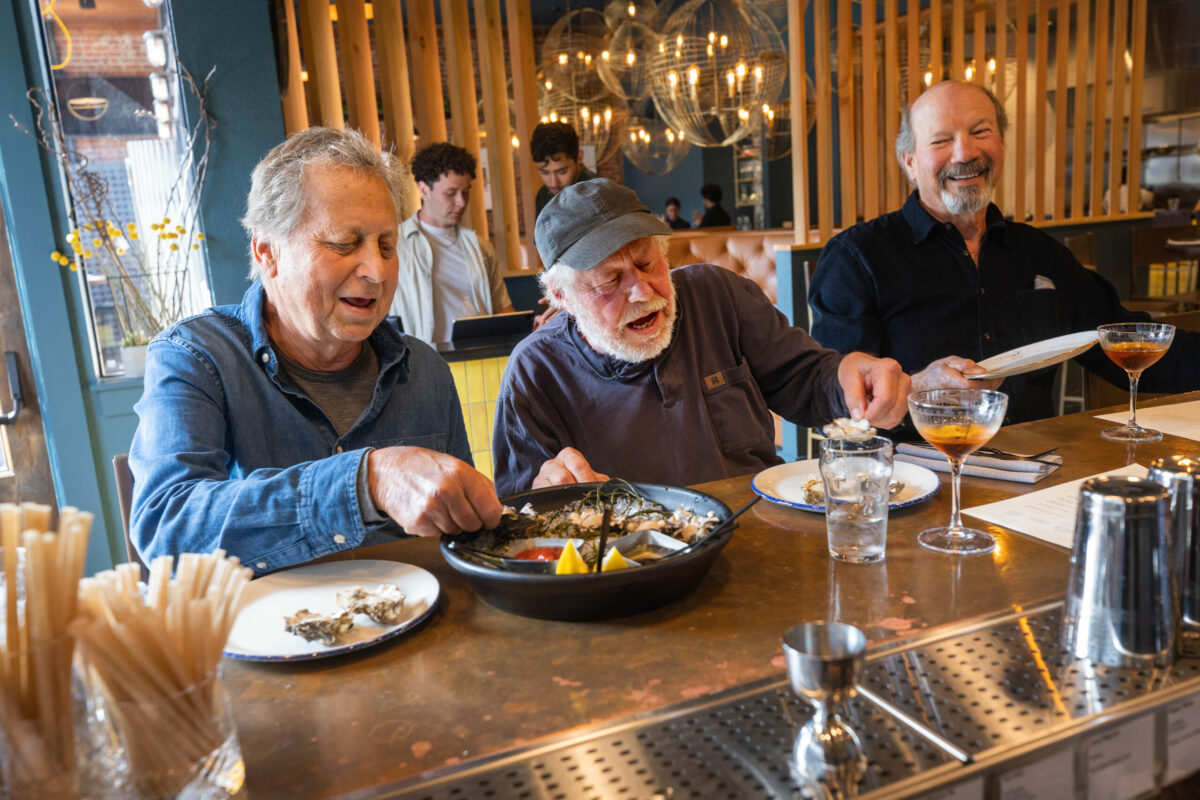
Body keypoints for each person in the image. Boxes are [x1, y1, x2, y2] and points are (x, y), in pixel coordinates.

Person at [128, 127, 505, 575]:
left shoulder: (423, 370)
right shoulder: (197, 357)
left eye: (387, 246)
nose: (377, 271)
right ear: (267, 252)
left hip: (424, 633)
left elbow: (466, 540)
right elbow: (168, 530)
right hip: (268, 640)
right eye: (344, 244)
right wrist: (367, 481)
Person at [809, 80, 1200, 426]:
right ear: (910, 163)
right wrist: (918, 386)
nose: (964, 153)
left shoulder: (1039, 252)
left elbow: (1122, 340)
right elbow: (838, 402)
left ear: (1001, 145)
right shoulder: (856, 258)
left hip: (1036, 471)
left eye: (980, 132)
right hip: (914, 480)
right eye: (941, 141)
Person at [491, 178, 911, 496]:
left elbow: (804, 377)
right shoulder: (534, 373)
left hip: (757, 539)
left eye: (647, 264)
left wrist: (851, 374)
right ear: (561, 296)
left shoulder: (717, 294)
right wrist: (544, 496)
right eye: (611, 280)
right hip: (634, 572)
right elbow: (522, 514)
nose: (641, 292)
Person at [389, 142, 514, 343]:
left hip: (479, 358)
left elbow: (501, 309)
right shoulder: (394, 244)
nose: (461, 202)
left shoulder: (480, 247)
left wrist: (535, 326)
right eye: (451, 193)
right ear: (423, 190)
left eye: (466, 192)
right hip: (422, 363)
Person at [530, 121, 595, 218]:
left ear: (579, 157)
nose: (554, 183)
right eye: (545, 172)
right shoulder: (542, 196)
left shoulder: (597, 192)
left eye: (562, 172)